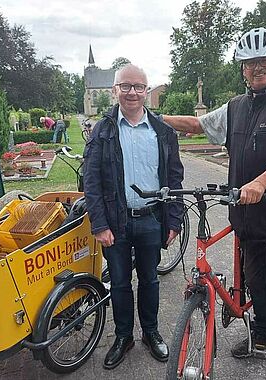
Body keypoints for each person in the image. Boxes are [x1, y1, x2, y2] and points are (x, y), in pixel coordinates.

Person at [163, 27, 266, 380]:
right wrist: (155, 119)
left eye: (264, 61)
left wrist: (260, 181)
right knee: (258, 281)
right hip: (249, 217)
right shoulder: (236, 107)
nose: (258, 68)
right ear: (242, 68)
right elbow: (197, 124)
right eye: (251, 63)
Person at [83, 64, 184, 370]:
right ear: (115, 90)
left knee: (150, 280)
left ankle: (151, 333)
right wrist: (99, 224)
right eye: (125, 86)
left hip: (152, 219)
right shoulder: (103, 131)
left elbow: (174, 178)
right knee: (121, 283)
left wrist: (174, 219)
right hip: (116, 222)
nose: (132, 92)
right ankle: (123, 336)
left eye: (138, 87)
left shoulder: (162, 130)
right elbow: (91, 181)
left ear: (146, 90)